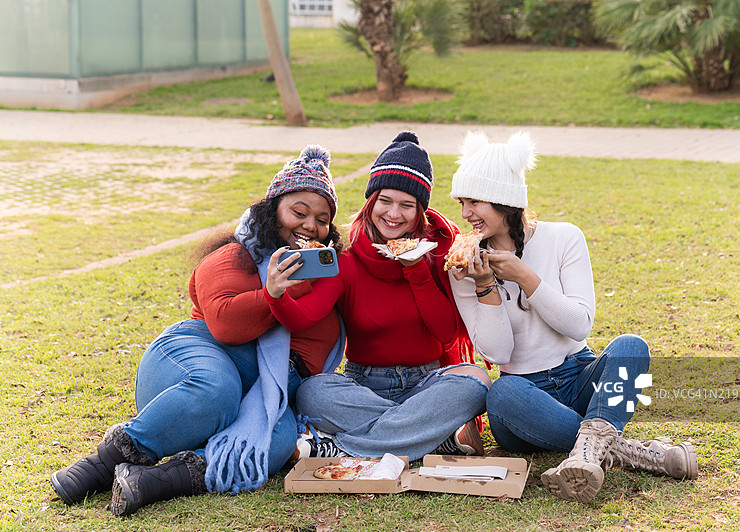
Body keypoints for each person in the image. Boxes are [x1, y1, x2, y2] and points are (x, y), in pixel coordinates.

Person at [49, 145, 346, 515]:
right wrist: (273, 292)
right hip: (194, 356)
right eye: (299, 213)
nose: (311, 226)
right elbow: (225, 325)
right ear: (272, 211)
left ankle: (152, 481)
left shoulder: (323, 273)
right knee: (217, 389)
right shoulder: (234, 256)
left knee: (274, 442)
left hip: (268, 387)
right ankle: (102, 463)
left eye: (322, 220)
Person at [447, 131, 698, 503]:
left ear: (504, 200)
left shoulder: (564, 238)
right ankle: (633, 453)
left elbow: (579, 325)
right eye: (462, 202)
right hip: (523, 399)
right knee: (501, 393)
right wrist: (485, 286)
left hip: (578, 376)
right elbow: (498, 353)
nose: (465, 214)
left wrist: (524, 276)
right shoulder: (464, 266)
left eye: (474, 201)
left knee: (631, 347)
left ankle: (588, 453)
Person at [265, 132, 491, 461]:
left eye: (407, 205)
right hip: (364, 386)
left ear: (420, 212)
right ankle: (432, 436)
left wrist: (415, 269)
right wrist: (275, 295)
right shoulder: (346, 258)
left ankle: (341, 447)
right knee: (312, 392)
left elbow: (446, 333)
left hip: (426, 383)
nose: (394, 214)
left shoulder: (438, 252)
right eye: (385, 201)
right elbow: (304, 317)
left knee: (477, 381)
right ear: (371, 202)